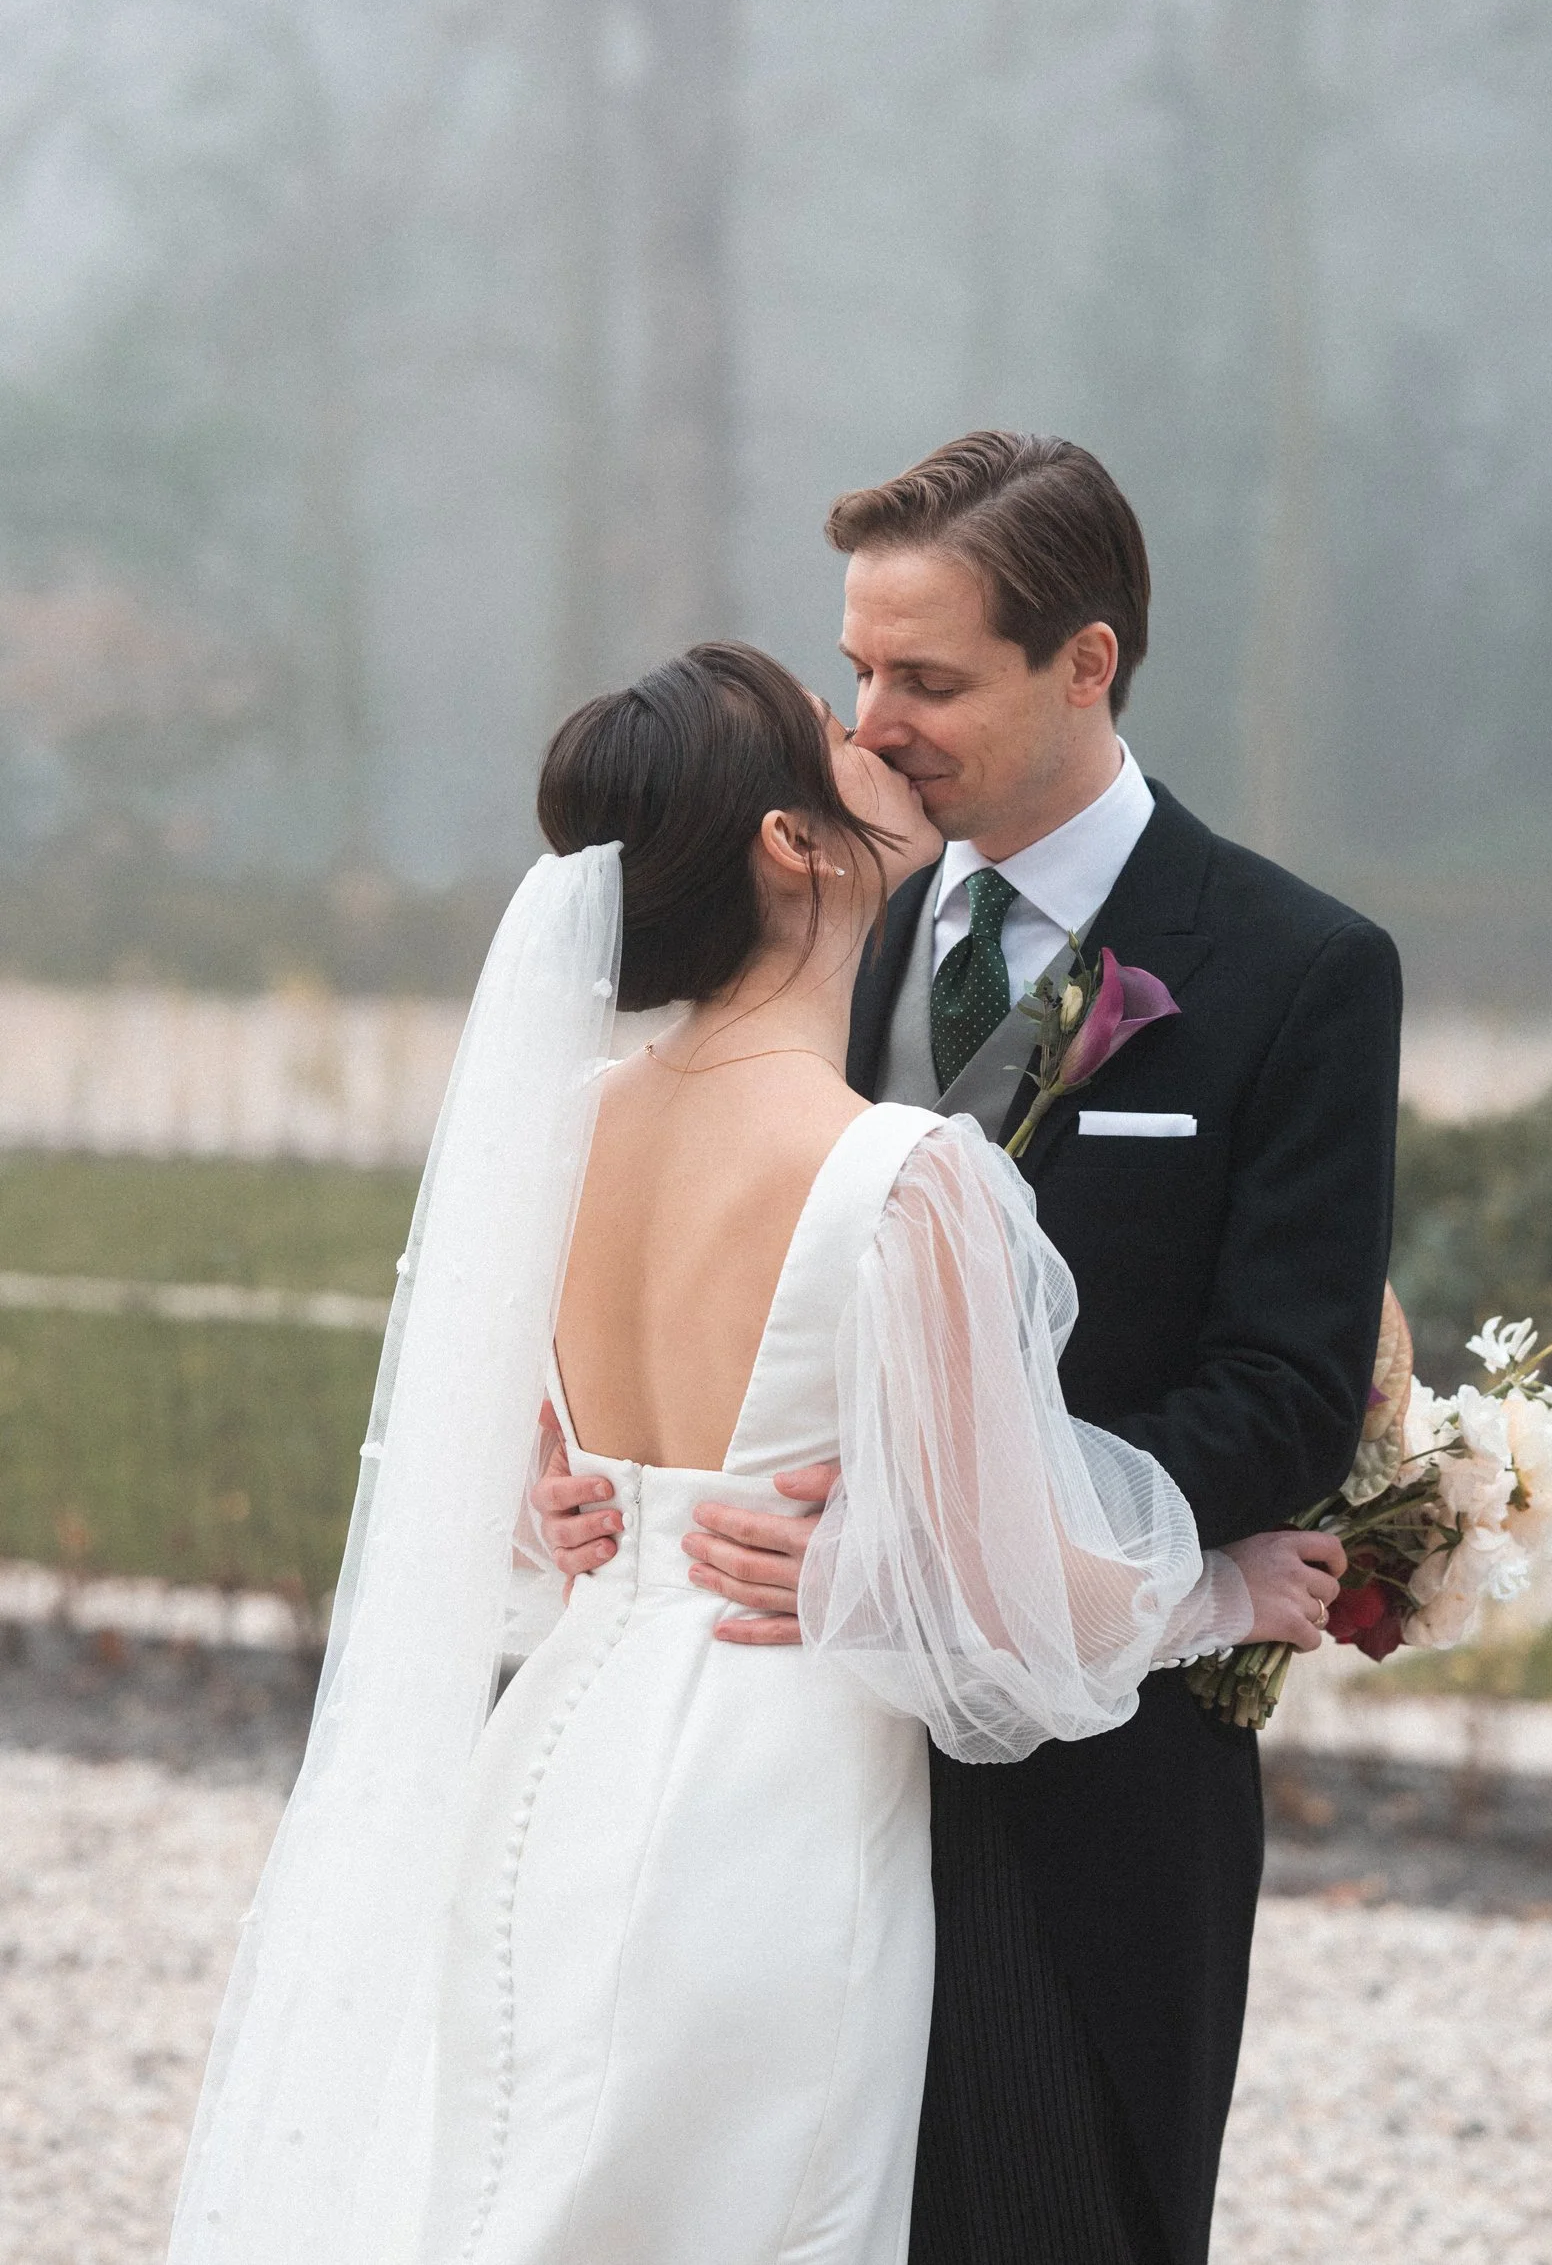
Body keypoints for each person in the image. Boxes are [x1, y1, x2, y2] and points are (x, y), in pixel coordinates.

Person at [167, 639, 1340, 2265]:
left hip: (560, 1757)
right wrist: (1234, 1588)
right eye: (827, 727)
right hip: (775, 1786)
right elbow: (1024, 1597)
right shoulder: (897, 1176)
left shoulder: (561, 1123)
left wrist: (563, 1505)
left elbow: (502, 1471)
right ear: (791, 845)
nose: (871, 731)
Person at [540, 438, 1402, 2265]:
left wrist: (946, 1556)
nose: (874, 723)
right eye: (857, 669)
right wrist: (579, 1460)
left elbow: (1284, 1397)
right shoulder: (806, 932)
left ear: (1084, 664)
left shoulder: (1293, 967)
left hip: (1085, 1799)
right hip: (763, 1758)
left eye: (928, 680)